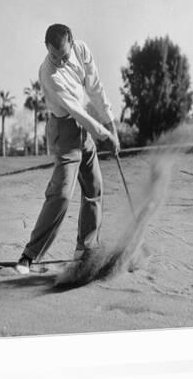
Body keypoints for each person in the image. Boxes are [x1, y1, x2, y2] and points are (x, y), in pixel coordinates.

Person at [16, 23, 120, 274]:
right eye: (54, 56)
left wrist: (111, 124)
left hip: (84, 129)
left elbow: (95, 88)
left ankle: (86, 248)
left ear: (71, 43)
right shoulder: (48, 74)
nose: (60, 62)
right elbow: (75, 110)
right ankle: (28, 256)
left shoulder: (82, 51)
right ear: (47, 48)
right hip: (64, 130)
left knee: (94, 187)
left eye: (64, 56)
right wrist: (105, 134)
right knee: (62, 194)